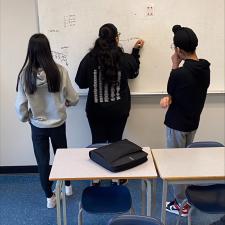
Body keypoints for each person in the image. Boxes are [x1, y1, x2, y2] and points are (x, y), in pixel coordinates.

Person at [75, 23, 144, 185]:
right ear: (116, 38)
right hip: (119, 110)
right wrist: (135, 52)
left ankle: (96, 178)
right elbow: (134, 72)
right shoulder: (124, 59)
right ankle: (116, 176)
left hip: (96, 111)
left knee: (97, 142)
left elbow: (80, 83)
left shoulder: (89, 59)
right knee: (116, 143)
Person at [15, 33, 79, 208]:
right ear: (47, 49)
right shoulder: (59, 70)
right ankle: (67, 187)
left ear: (31, 51)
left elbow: (20, 106)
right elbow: (73, 98)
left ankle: (49, 197)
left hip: (37, 125)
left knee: (42, 161)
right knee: (62, 156)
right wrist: (67, 102)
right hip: (58, 123)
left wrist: (27, 117)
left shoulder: (24, 75)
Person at [160, 25, 210, 216]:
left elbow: (171, 89)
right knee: (186, 160)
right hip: (192, 122)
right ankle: (185, 198)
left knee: (176, 163)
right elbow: (181, 93)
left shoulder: (180, 73)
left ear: (179, 50)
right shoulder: (205, 68)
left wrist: (174, 65)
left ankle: (181, 203)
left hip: (176, 124)